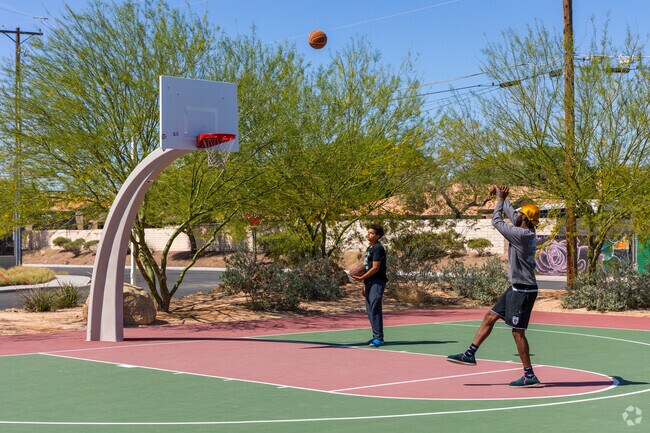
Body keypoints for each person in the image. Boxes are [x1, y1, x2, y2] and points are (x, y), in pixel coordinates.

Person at [446, 185, 542, 388]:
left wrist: (499, 203)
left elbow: (497, 221)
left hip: (524, 290)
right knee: (490, 316)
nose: (516, 214)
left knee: (518, 332)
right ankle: (469, 354)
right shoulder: (525, 227)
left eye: (520, 214)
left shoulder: (521, 235)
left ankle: (528, 374)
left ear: (524, 218)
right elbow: (511, 212)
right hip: (516, 287)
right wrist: (501, 195)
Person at [353, 224, 388, 347]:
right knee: (369, 311)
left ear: (378, 236)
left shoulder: (378, 248)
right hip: (369, 283)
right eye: (368, 232)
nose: (368, 234)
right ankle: (375, 336)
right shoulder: (370, 248)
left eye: (372, 233)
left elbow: (375, 267)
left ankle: (379, 338)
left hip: (377, 282)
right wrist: (364, 283)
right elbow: (366, 266)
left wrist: (362, 277)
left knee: (375, 309)